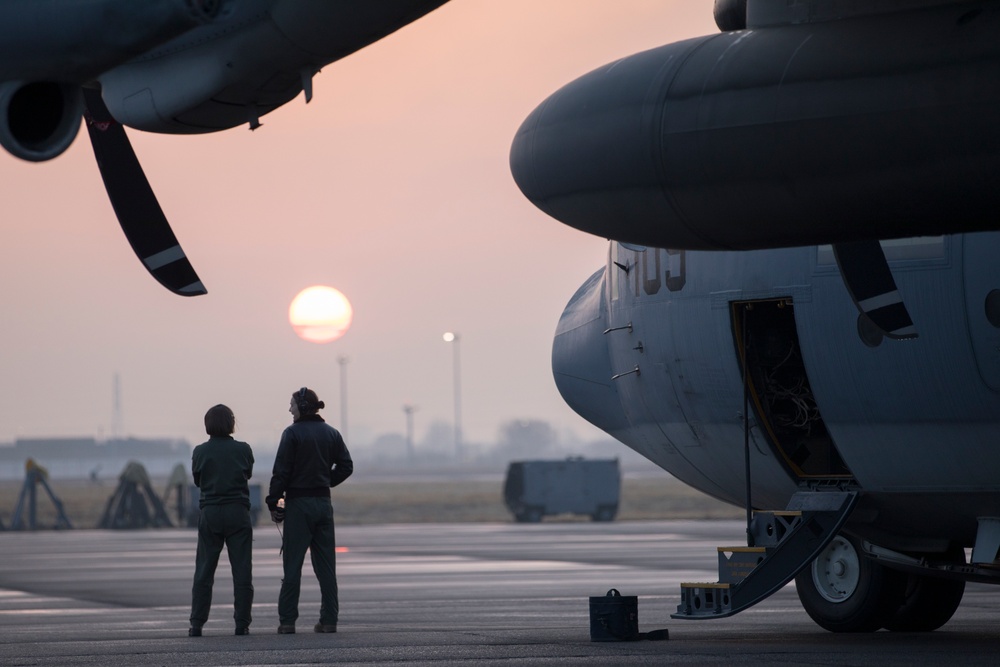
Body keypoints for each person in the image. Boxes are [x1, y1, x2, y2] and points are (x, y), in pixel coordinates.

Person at [266, 387, 353, 634]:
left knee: (292, 566)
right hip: (324, 505)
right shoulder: (332, 434)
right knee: (326, 567)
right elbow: (346, 466)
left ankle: (287, 621)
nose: (289, 409)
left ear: (302, 407)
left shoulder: (291, 434)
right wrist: (326, 480)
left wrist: (274, 502)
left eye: (292, 404)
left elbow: (280, 472)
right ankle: (329, 621)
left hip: (298, 506)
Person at [188, 404, 255, 637]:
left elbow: (198, 481)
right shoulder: (243, 449)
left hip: (210, 513)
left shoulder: (199, 452)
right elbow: (247, 473)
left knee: (204, 571)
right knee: (242, 571)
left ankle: (196, 623)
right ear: (231, 423)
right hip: (238, 512)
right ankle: (242, 624)